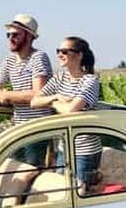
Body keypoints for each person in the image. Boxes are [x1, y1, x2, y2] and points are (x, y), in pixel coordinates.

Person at [30, 36, 102, 190]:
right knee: (61, 191)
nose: (59, 55)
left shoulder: (90, 81)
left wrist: (52, 103)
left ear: (79, 55)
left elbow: (71, 110)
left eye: (64, 51)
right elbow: (34, 102)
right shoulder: (59, 78)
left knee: (78, 195)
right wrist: (55, 97)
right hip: (64, 147)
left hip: (84, 151)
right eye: (58, 51)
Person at [0, 13, 54, 166]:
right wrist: (4, 95)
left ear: (29, 36)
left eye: (16, 34)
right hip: (18, 127)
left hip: (36, 129)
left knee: (29, 170)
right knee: (13, 166)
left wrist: (7, 95)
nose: (11, 38)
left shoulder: (38, 57)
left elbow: (38, 94)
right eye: (8, 34)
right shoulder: (9, 60)